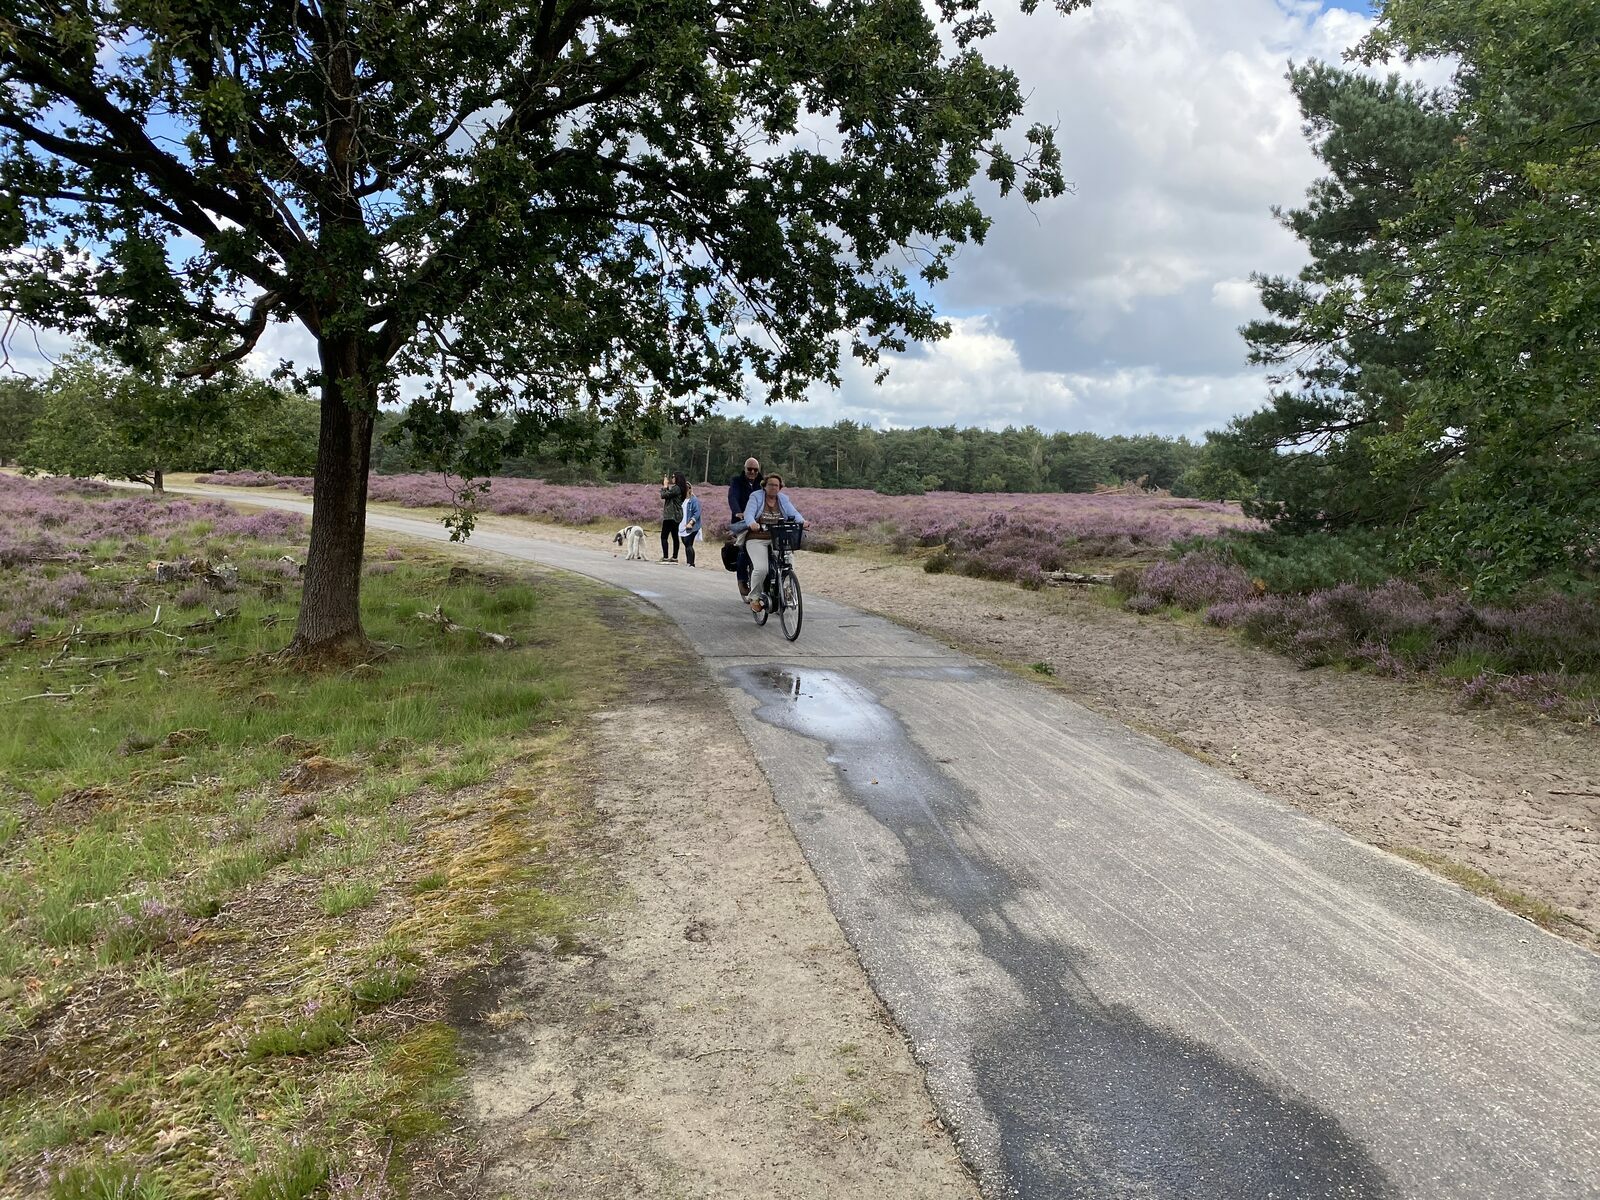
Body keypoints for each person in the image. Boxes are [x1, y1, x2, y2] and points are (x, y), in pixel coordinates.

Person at [738, 472, 805, 613]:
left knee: (788, 561)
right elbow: (749, 513)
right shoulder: (756, 497)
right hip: (757, 537)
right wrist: (752, 523)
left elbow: (794, 513)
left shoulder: (783, 499)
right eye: (770, 485)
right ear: (765, 486)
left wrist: (803, 522)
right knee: (762, 568)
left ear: (780, 487)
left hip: (777, 537)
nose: (773, 487)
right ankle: (754, 597)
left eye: (776, 485)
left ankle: (787, 590)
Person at [727, 456, 762, 596]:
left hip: (759, 520)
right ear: (745, 469)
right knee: (744, 549)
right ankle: (742, 580)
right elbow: (733, 497)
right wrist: (737, 512)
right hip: (741, 520)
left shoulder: (762, 482)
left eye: (755, 470)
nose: (752, 472)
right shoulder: (737, 481)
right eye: (750, 469)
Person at [658, 471, 686, 562]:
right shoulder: (680, 489)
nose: (672, 478)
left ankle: (666, 556)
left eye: (673, 477)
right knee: (674, 536)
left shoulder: (676, 488)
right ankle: (674, 557)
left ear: (678, 478)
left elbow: (664, 495)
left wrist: (665, 486)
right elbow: (669, 495)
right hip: (677, 516)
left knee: (664, 536)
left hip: (671, 515)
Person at [679, 482, 702, 567]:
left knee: (689, 543)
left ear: (689, 489)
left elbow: (697, 512)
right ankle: (688, 562)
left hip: (691, 525)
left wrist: (691, 522)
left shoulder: (693, 500)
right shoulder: (682, 500)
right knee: (685, 542)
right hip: (682, 525)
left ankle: (691, 563)